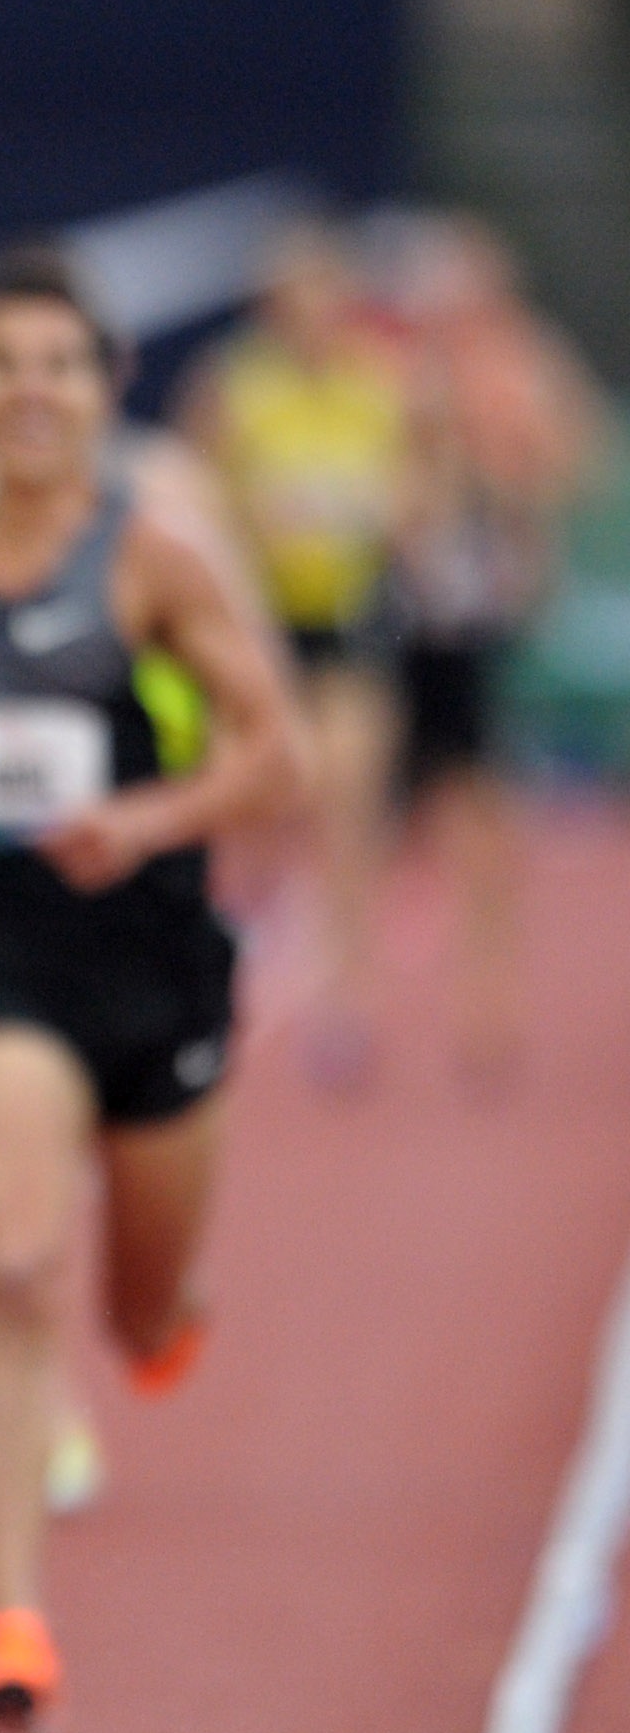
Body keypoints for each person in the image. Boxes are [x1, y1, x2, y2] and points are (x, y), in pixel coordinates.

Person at [0, 245, 298, 1725]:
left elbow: (272, 753)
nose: (28, 392)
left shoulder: (154, 550)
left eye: (59, 364)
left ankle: (166, 1310)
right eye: (3, 364)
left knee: (135, 1315)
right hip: (19, 966)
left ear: (105, 386)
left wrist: (149, 822)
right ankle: (12, 1622)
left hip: (163, 972)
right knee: (10, 1268)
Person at [177, 224, 407, 1084]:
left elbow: (420, 493)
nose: (311, 318)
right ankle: (235, 957)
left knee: (347, 800)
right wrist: (245, 532)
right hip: (257, 630)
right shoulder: (235, 389)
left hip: (350, 624)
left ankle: (348, 993)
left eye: (325, 299)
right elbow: (190, 497)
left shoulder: (382, 386)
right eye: (294, 301)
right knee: (252, 809)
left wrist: (378, 515)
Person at [380, 214, 602, 1082]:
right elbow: (376, 499)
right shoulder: (394, 372)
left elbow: (571, 461)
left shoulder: (524, 365)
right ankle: (355, 996)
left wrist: (511, 480)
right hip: (405, 626)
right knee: (367, 814)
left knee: (486, 822)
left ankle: (488, 996)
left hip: (492, 629)